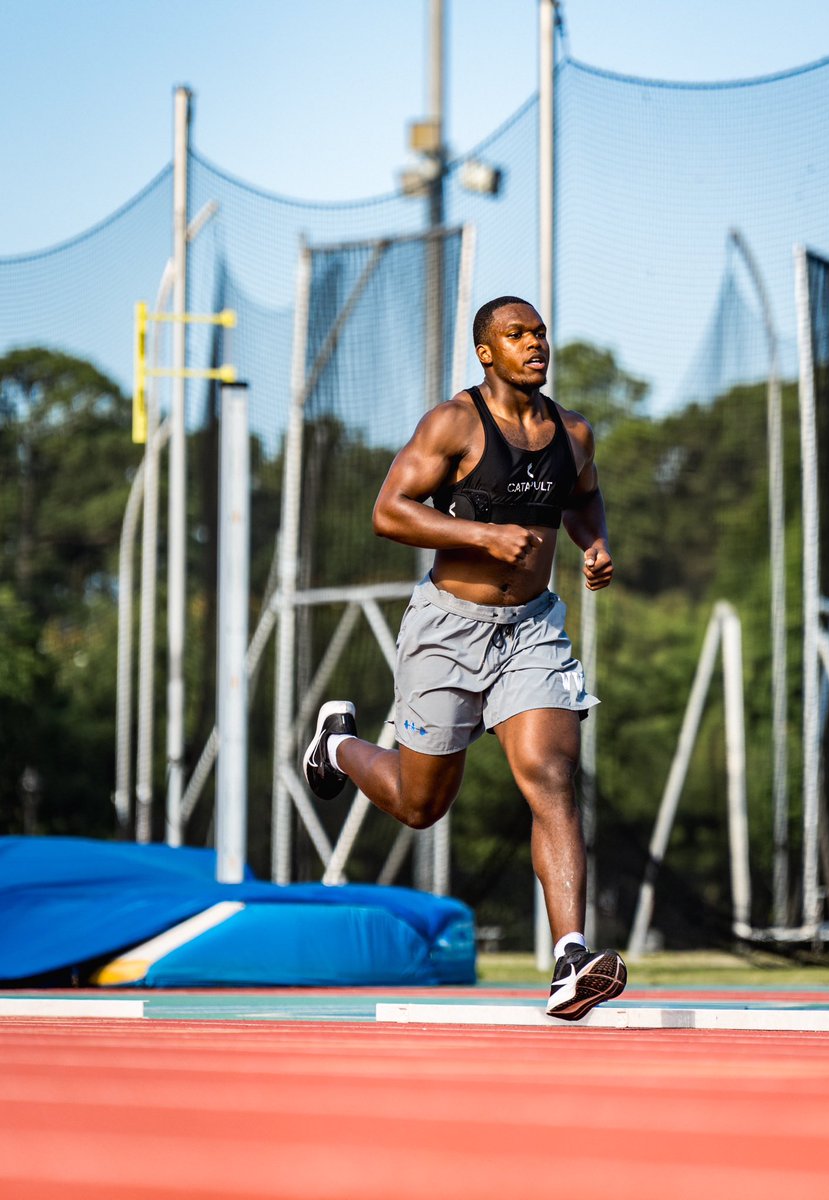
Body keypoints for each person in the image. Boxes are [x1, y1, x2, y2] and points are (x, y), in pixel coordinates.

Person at [303, 295, 627, 1021]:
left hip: (532, 630)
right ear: (487, 351)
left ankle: (571, 957)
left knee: (552, 774)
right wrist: (483, 539)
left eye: (540, 333)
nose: (535, 345)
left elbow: (584, 500)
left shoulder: (572, 432)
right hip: (449, 628)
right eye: (517, 335)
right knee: (422, 804)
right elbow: (389, 511)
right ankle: (339, 744)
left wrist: (594, 544)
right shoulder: (454, 423)